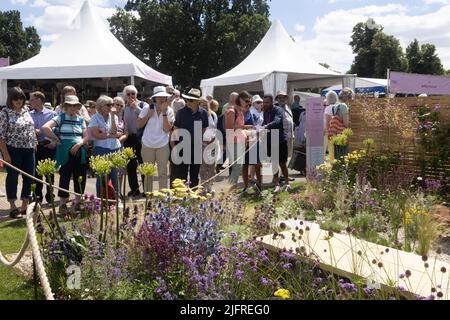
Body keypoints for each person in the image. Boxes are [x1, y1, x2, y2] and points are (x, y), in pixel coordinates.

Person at [42, 95, 88, 214]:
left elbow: (87, 136)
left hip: (79, 151)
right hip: (64, 152)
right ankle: (63, 204)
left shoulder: (81, 120)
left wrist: (80, 143)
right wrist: (56, 139)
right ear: (66, 106)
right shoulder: (60, 117)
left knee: (80, 177)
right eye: (70, 105)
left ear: (78, 107)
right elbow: (45, 128)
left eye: (75, 105)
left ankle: (78, 202)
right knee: (65, 177)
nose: (73, 107)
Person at [0, 87, 38, 218]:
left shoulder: (27, 111)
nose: (19, 101)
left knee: (29, 177)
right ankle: (12, 206)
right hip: (13, 149)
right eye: (15, 98)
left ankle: (24, 204)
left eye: (21, 98)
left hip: (29, 148)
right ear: (10, 99)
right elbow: (1, 136)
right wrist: (5, 154)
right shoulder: (5, 112)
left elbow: (31, 129)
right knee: (13, 177)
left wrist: (34, 143)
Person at [137, 86, 174, 193]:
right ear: (155, 98)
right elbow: (138, 125)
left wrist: (164, 112)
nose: (162, 98)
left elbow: (167, 129)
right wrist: (148, 115)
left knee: (162, 172)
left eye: (164, 96)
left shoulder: (169, 110)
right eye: (159, 96)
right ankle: (148, 195)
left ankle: (163, 196)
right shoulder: (147, 108)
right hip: (147, 144)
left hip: (163, 144)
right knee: (148, 172)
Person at [172, 88, 208, 188]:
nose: (188, 102)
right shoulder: (180, 112)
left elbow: (204, 127)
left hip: (196, 147)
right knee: (182, 174)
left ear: (198, 102)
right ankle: (182, 197)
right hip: (183, 147)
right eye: (187, 99)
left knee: (194, 174)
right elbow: (176, 128)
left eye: (191, 100)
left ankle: (194, 196)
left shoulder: (203, 113)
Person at [89, 95, 122, 197]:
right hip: (100, 149)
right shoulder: (95, 118)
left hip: (115, 148)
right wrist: (113, 136)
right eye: (108, 105)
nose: (111, 107)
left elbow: (114, 131)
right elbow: (96, 135)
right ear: (100, 106)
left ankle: (116, 199)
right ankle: (101, 199)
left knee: (115, 175)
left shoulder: (114, 117)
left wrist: (112, 116)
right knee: (101, 176)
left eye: (112, 104)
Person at [29, 91, 57, 204]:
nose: (29, 102)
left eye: (31, 99)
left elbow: (57, 130)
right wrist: (33, 131)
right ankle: (38, 197)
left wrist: (54, 142)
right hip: (35, 147)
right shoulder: (29, 115)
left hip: (49, 146)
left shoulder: (52, 114)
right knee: (36, 174)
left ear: (39, 100)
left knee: (50, 174)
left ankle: (50, 197)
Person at [262, 94, 290, 193]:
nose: (265, 104)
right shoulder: (265, 111)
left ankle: (287, 183)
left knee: (282, 163)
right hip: (271, 140)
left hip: (280, 140)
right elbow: (264, 123)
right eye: (264, 102)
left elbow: (277, 121)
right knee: (274, 163)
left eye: (267, 102)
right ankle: (276, 184)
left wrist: (266, 126)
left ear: (272, 102)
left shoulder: (278, 110)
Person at [225, 91, 254, 186]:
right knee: (237, 168)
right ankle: (229, 190)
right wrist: (244, 127)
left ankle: (231, 189)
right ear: (240, 100)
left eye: (249, 102)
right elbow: (229, 128)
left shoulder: (240, 112)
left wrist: (250, 127)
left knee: (238, 168)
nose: (248, 104)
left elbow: (239, 126)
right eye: (246, 101)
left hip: (240, 142)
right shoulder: (232, 111)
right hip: (233, 143)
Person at [123, 85, 146, 197]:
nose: (131, 96)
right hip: (129, 139)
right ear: (125, 96)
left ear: (136, 94)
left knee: (143, 164)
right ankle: (134, 189)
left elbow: (146, 117)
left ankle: (147, 189)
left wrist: (136, 108)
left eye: (133, 93)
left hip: (141, 138)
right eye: (128, 94)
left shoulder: (143, 105)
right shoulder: (124, 107)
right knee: (131, 166)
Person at [241, 97, 262, 195]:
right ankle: (245, 187)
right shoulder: (239, 114)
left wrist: (256, 137)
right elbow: (237, 127)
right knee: (244, 165)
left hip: (253, 141)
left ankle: (259, 185)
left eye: (249, 104)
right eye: (246, 104)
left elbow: (257, 127)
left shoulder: (253, 114)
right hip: (242, 141)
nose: (248, 106)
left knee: (257, 164)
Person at [200, 98, 219, 192]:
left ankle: (210, 186)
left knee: (211, 166)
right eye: (201, 104)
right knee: (203, 167)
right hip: (202, 143)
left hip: (212, 143)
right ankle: (203, 186)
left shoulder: (213, 115)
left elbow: (215, 128)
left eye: (205, 105)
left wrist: (212, 139)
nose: (203, 106)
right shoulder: (198, 115)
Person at [276, 91, 295, 161]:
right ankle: (279, 171)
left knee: (287, 157)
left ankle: (283, 172)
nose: (282, 99)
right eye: (280, 98)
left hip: (289, 136)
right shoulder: (276, 109)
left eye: (283, 97)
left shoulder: (288, 108)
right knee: (281, 158)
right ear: (277, 99)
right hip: (281, 138)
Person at [324, 91, 339, 160]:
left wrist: (326, 131)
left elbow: (328, 122)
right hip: (338, 130)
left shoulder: (328, 108)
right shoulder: (339, 106)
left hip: (330, 131)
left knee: (331, 151)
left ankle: (332, 165)